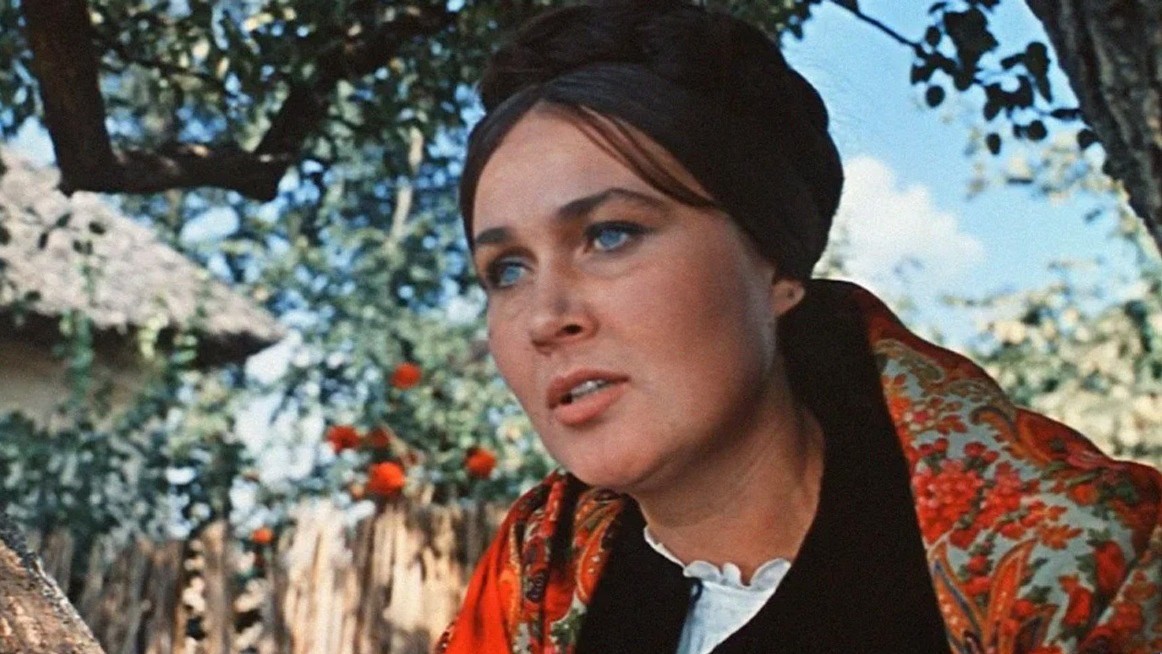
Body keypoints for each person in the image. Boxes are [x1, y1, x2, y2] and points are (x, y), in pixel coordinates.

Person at [437, 1, 1162, 652]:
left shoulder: (1091, 572)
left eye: (610, 235)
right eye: (506, 270)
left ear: (776, 262)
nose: (544, 318)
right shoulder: (529, 581)